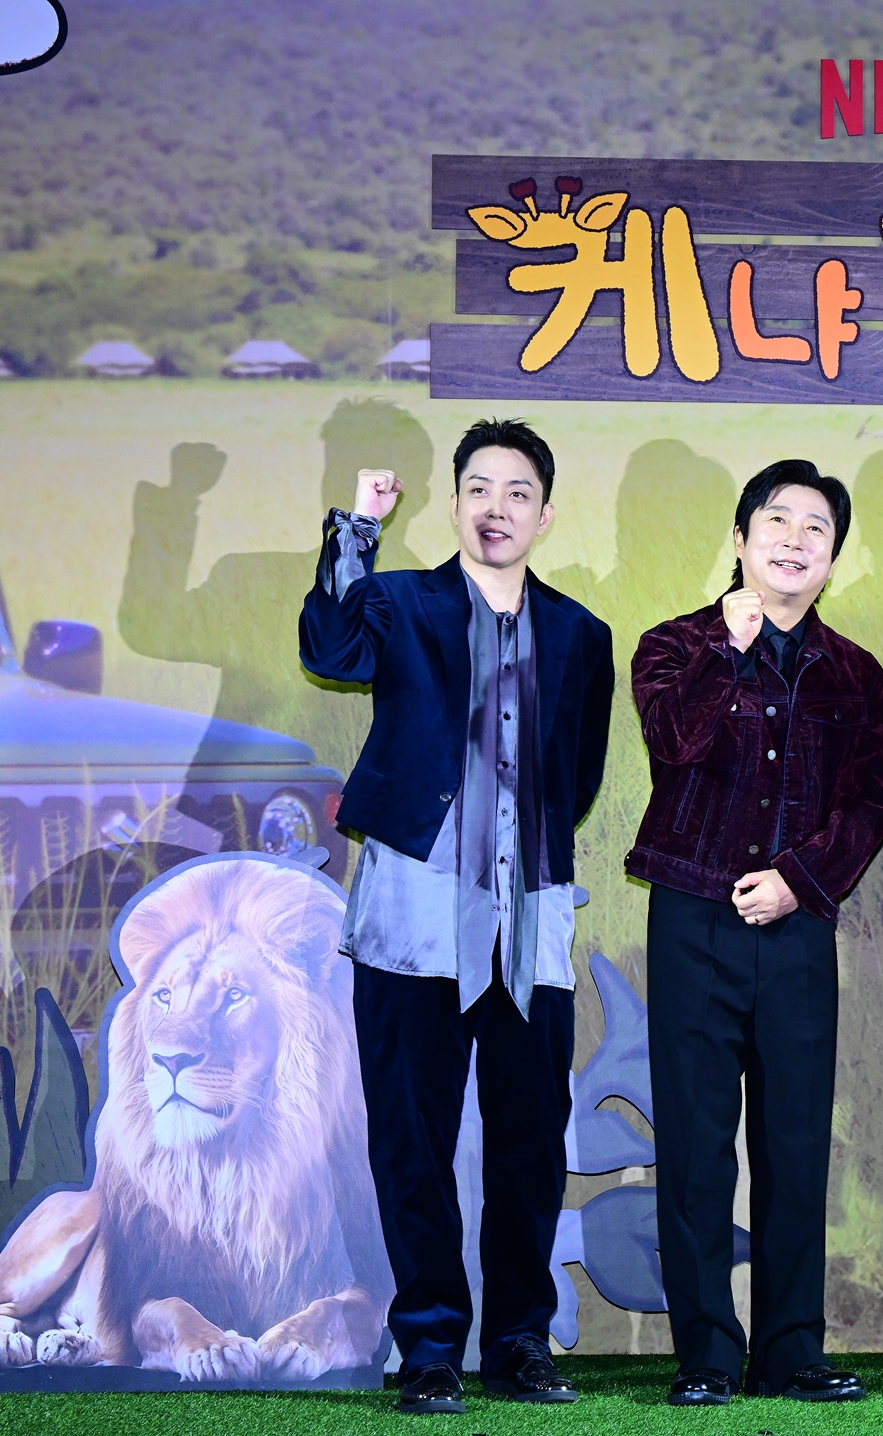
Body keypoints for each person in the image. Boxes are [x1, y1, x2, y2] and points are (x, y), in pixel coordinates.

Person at [298, 418, 615, 1414]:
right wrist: (358, 529)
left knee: (530, 1140)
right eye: (479, 488)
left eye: (517, 492)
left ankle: (519, 1342)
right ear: (453, 503)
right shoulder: (399, 602)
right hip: (414, 910)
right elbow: (328, 646)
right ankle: (430, 1344)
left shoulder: (581, 633)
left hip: (527, 913)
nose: (496, 508)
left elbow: (579, 771)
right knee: (413, 1138)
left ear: (544, 515)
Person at [628, 459, 883, 1407]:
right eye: (776, 521)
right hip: (692, 917)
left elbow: (872, 801)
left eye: (816, 528)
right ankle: (706, 1352)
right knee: (696, 1145)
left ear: (833, 556)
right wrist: (726, 649)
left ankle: (790, 1349)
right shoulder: (673, 646)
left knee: (794, 1143)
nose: (794, 539)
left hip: (796, 929)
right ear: (740, 539)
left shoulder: (855, 672)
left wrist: (798, 880)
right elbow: (673, 744)